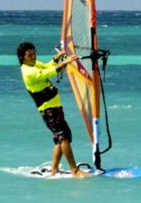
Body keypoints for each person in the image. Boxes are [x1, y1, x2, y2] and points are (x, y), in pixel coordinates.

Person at [18, 41, 90, 175]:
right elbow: (49, 72)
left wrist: (56, 58)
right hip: (48, 110)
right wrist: (66, 61)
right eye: (29, 55)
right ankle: (74, 171)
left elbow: (46, 66)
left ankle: (54, 170)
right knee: (63, 138)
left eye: (34, 53)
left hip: (55, 107)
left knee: (61, 138)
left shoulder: (35, 64)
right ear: (22, 57)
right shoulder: (28, 72)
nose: (33, 57)